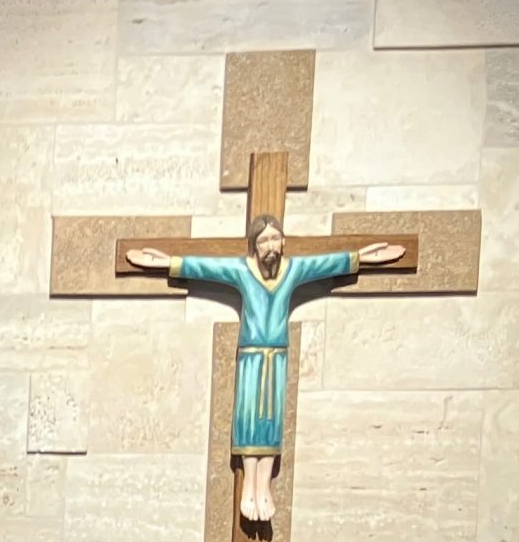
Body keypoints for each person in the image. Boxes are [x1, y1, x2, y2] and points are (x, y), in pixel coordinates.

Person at [126, 218, 403, 525]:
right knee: (248, 416)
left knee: (272, 417)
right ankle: (249, 484)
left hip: (277, 354)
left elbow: (324, 264)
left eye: (275, 239)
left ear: (283, 241)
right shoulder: (242, 272)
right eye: (263, 241)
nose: (270, 246)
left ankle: (264, 485)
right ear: (254, 246)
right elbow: (208, 268)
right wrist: (169, 263)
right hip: (251, 355)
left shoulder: (293, 270)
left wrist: (361, 257)